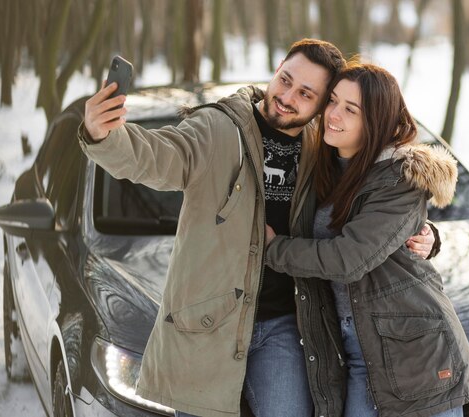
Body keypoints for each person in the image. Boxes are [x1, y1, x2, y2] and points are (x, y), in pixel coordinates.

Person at [78, 39, 438, 417]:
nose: (287, 96)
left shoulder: (324, 146)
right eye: (285, 80)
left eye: (306, 94)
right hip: (209, 325)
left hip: (284, 325)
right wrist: (104, 135)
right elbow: (158, 156)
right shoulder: (219, 128)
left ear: (320, 104)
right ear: (277, 67)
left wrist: (423, 231)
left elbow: (367, 202)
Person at [264, 63, 469, 417]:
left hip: (414, 351)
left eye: (350, 109)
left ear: (376, 122)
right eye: (333, 101)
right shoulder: (323, 165)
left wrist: (272, 248)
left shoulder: (399, 177)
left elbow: (349, 259)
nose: (333, 115)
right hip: (357, 350)